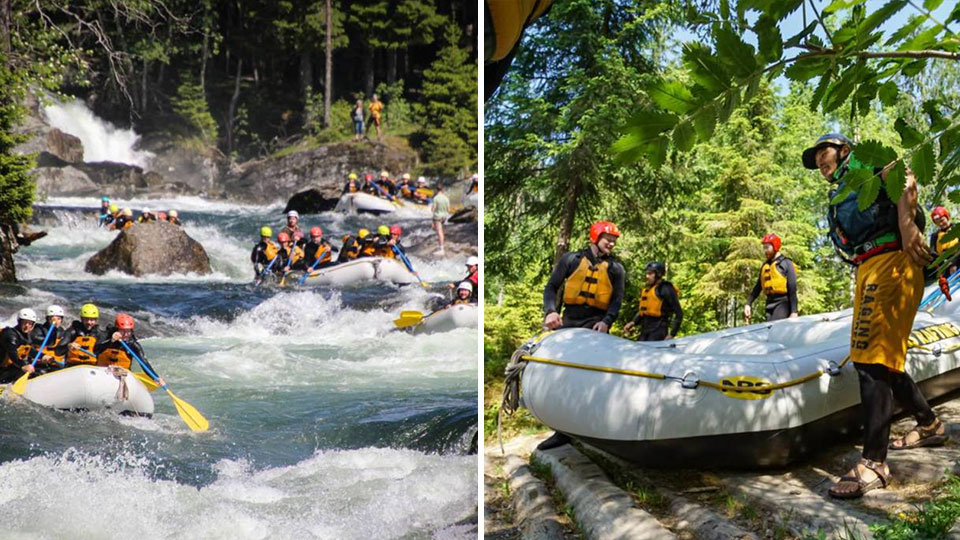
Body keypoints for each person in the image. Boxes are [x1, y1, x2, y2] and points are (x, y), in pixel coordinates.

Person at [802, 133, 945, 499]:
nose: (819, 160)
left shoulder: (864, 163)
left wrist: (908, 223)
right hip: (870, 267)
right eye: (815, 156)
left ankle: (874, 462)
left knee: (870, 361)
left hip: (893, 261)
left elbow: (905, 176)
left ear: (844, 150)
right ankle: (929, 425)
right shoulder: (838, 191)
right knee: (882, 360)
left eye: (824, 151)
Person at [539, 221, 626, 450]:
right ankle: (562, 431)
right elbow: (551, 287)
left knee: (592, 377)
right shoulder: (572, 259)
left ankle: (595, 426)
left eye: (614, 240)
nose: (612, 243)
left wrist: (607, 322)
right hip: (569, 321)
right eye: (608, 238)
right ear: (596, 237)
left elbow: (616, 301)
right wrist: (551, 312)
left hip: (596, 324)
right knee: (561, 375)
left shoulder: (616, 269)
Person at [743, 234, 799, 323]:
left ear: (775, 246)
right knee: (770, 330)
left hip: (783, 303)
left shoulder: (786, 263)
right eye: (764, 248)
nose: (765, 250)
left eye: (767, 247)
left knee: (775, 329)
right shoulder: (765, 266)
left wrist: (794, 311)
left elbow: (792, 289)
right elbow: (758, 287)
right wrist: (748, 304)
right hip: (769, 304)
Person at [94, 314, 163, 384]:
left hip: (121, 375)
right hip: (102, 373)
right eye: (123, 331)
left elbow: (143, 363)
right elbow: (95, 351)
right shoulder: (106, 337)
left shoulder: (133, 345)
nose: (126, 334)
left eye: (128, 331)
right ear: (117, 329)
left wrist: (155, 377)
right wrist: (110, 341)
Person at [623, 262, 682, 341]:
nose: (647, 276)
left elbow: (679, 313)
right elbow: (643, 311)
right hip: (645, 329)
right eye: (647, 274)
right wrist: (633, 322)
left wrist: (672, 334)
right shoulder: (648, 289)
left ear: (658, 274)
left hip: (659, 329)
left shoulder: (665, 288)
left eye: (650, 274)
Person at [0, 308, 52, 383]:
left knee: (42, 370)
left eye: (30, 323)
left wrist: (43, 356)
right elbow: (12, 353)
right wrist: (22, 366)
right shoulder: (10, 335)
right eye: (24, 323)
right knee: (31, 371)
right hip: (2, 370)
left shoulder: (26, 335)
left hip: (10, 367)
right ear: (19, 322)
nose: (27, 326)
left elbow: (29, 350)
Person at [929, 206, 960, 277]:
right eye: (937, 223)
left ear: (947, 217)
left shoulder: (957, 228)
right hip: (945, 264)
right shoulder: (935, 236)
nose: (940, 224)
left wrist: (953, 262)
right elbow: (933, 253)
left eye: (942, 220)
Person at [36, 305, 68, 369]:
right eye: (53, 319)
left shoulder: (62, 332)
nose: (56, 322)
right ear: (48, 319)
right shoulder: (38, 330)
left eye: (58, 319)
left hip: (56, 364)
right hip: (40, 364)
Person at [431, 185, 451, 255]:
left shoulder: (435, 198)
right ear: (442, 190)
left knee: (439, 232)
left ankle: (441, 248)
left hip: (437, 217)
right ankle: (441, 245)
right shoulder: (446, 198)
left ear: (437, 190)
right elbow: (448, 209)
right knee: (441, 231)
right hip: (444, 216)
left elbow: (433, 209)